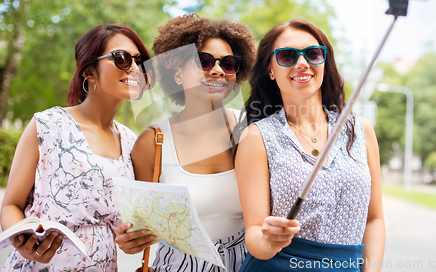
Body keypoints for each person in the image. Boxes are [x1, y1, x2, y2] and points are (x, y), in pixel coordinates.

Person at [234, 19, 385, 272]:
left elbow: (374, 219)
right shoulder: (256, 137)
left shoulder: (360, 130)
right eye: (287, 56)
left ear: (324, 62)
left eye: (313, 54)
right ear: (270, 70)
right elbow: (254, 236)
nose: (302, 63)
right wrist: (268, 240)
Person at [0, 24, 153, 271]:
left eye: (140, 60)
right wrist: (23, 243)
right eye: (122, 58)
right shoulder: (48, 125)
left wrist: (130, 241)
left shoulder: (130, 141)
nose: (134, 67)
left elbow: (126, 229)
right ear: (89, 72)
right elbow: (11, 206)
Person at [115, 14, 256, 272]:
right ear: (177, 73)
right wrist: (129, 240)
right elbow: (137, 229)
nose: (217, 70)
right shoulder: (152, 142)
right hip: (180, 265)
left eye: (228, 63)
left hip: (246, 263)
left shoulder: (250, 130)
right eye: (203, 61)